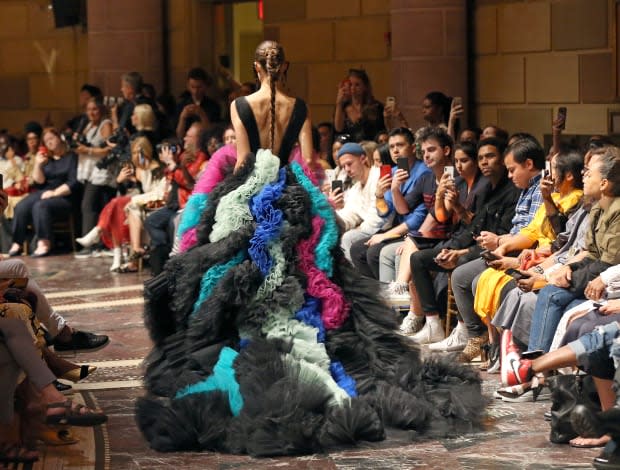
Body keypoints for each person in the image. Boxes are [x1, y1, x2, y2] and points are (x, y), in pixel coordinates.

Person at [135, 40, 485, 457]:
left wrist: (240, 195)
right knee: (312, 275)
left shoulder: (241, 105)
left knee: (235, 269)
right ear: (286, 66)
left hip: (250, 195)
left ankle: (252, 344)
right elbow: (308, 163)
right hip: (294, 197)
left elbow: (246, 161)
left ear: (256, 66)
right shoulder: (297, 105)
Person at [76, 137, 164, 272]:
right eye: (134, 153)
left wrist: (136, 180)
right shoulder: (136, 168)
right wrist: (120, 181)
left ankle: (98, 232)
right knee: (117, 206)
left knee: (117, 203)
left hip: (148, 203)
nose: (136, 156)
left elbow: (152, 194)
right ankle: (108, 246)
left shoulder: (155, 168)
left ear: (146, 152)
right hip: (133, 202)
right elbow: (124, 191)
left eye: (139, 153)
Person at [9, 128, 79, 257]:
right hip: (44, 192)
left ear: (59, 138)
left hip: (64, 196)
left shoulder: (71, 157)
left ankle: (44, 243)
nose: (49, 143)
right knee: (21, 206)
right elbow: (39, 181)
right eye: (46, 141)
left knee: (40, 206)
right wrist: (37, 164)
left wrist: (55, 193)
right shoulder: (48, 159)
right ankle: (17, 242)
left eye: (51, 138)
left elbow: (73, 182)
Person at [73, 97, 116, 256]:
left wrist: (88, 150)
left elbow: (109, 149)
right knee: (98, 206)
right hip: (91, 171)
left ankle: (90, 246)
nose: (91, 112)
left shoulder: (106, 125)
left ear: (101, 110)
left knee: (88, 205)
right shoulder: (88, 125)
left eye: (95, 109)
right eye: (88, 109)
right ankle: (101, 244)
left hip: (102, 172)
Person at [327, 142, 384, 261]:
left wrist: (359, 229)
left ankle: (353, 278)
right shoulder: (355, 189)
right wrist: (329, 209)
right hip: (367, 231)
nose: (347, 169)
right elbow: (348, 218)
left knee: (349, 237)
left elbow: (379, 218)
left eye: (349, 164)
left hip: (384, 229)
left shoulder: (378, 176)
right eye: (343, 166)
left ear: (363, 159)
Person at [334, 69, 385, 142]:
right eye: (351, 84)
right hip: (350, 148)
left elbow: (380, 130)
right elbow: (338, 128)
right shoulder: (343, 107)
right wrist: (339, 103)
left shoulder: (376, 106)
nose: (353, 88)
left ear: (365, 87)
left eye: (357, 85)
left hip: (370, 147)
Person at [175, 67, 221, 139]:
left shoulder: (214, 106)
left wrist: (202, 114)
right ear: (188, 86)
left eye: (199, 87)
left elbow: (212, 134)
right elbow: (178, 136)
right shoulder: (181, 105)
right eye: (192, 87)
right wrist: (182, 117)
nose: (195, 91)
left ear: (205, 86)